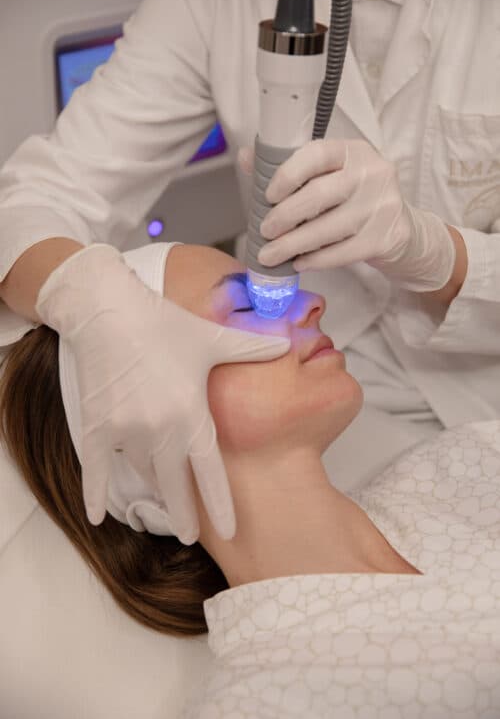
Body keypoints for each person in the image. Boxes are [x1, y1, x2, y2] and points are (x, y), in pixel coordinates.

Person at [1, 0, 499, 546]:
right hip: (338, 402)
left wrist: (441, 255)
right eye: (240, 304)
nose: (311, 305)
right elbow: (39, 197)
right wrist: (85, 294)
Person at [1, 241, 498, 717]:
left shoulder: (460, 462)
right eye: (247, 306)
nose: (314, 303)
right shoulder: (270, 703)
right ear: (144, 430)